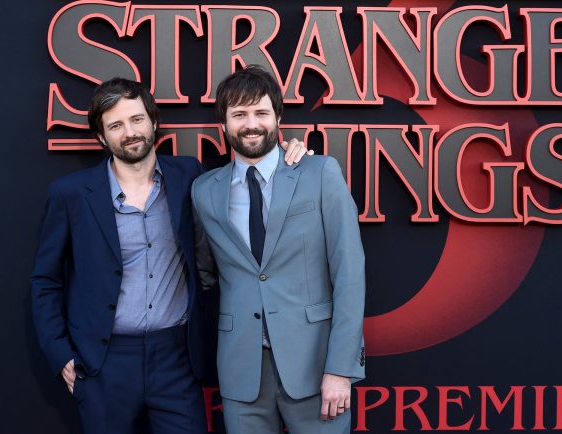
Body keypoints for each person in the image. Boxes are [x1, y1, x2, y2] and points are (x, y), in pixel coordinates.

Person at [30, 77, 308, 434]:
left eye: (136, 119)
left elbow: (250, 168)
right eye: (115, 125)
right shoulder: (70, 194)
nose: (129, 132)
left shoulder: (188, 175)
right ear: (101, 137)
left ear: (153, 122)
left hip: (176, 357)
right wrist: (60, 355)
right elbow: (45, 281)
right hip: (103, 362)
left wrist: (290, 155)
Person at [191, 65, 366, 434]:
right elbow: (206, 274)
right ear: (223, 124)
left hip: (316, 366)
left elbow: (349, 275)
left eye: (260, 112)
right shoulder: (204, 190)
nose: (250, 123)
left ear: (277, 117)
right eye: (239, 114)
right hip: (242, 372)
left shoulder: (320, 173)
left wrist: (340, 369)